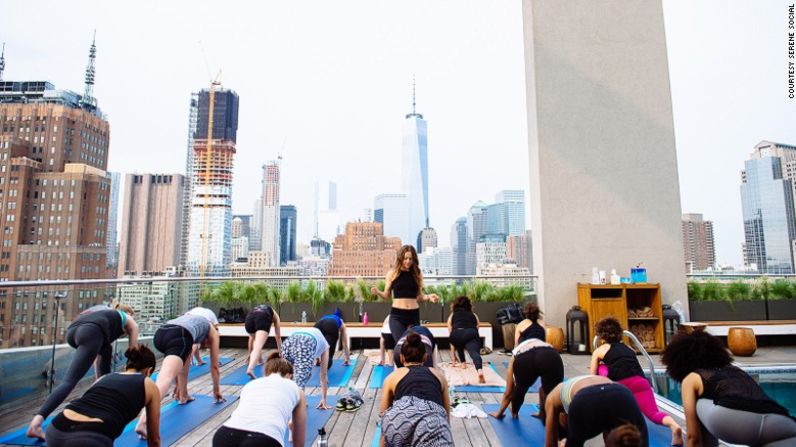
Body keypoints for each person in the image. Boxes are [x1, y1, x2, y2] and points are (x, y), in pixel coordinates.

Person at [661, 331, 796, 447]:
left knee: (699, 402)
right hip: (782, 425)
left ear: (677, 361)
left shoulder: (692, 377)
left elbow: (693, 438)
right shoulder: (736, 371)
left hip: (732, 421)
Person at [27, 305, 139, 440]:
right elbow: (133, 352)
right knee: (69, 381)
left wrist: (101, 384)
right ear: (129, 314)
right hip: (91, 332)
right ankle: (36, 424)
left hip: (73, 332)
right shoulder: (128, 319)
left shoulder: (106, 316)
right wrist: (136, 382)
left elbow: (98, 360)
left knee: (106, 350)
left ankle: (102, 402)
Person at [43, 345, 161, 447]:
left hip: (56, 429)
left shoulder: (104, 378)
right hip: (90, 438)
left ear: (126, 367)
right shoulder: (148, 383)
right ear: (149, 371)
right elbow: (154, 440)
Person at [591, 317, 683, 446]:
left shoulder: (599, 351)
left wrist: (602, 368)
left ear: (601, 336)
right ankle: (674, 426)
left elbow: (592, 376)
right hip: (640, 382)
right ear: (619, 333)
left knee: (613, 419)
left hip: (620, 386)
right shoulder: (629, 349)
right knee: (654, 414)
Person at [135, 307, 223, 437]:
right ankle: (143, 422)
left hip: (161, 333)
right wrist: (216, 391)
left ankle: (184, 396)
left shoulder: (191, 322)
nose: (205, 346)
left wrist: (183, 392)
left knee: (174, 369)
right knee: (165, 377)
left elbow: (184, 368)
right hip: (179, 335)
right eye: (206, 344)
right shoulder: (212, 330)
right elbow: (214, 366)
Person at [213, 353, 307, 447]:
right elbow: (299, 442)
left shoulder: (250, 385)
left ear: (267, 373)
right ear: (290, 375)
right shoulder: (296, 389)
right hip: (264, 438)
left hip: (225, 434)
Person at [380, 332, 452, 447]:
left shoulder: (392, 377)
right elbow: (446, 415)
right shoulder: (439, 375)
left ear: (401, 357)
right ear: (425, 357)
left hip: (400, 419)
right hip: (432, 421)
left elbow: (384, 416)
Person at [545, 375, 649, 447]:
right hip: (620, 393)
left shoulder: (551, 399)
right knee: (636, 440)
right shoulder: (562, 395)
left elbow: (550, 444)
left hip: (586, 399)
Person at [371, 245, 439, 344]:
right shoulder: (393, 273)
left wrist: (429, 297)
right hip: (397, 316)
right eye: (405, 258)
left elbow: (419, 296)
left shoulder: (417, 274)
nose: (408, 261)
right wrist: (378, 292)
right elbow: (387, 295)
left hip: (413, 315)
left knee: (414, 345)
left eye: (410, 259)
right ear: (400, 258)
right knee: (402, 344)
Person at [489, 336, 564, 421]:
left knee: (520, 388)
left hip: (527, 359)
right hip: (553, 356)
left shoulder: (517, 351)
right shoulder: (542, 343)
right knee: (554, 392)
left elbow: (509, 392)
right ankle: (548, 414)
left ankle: (515, 413)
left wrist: (499, 413)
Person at [280, 327, 331, 410]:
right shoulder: (325, 346)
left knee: (286, 376)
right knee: (300, 379)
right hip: (306, 341)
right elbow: (323, 374)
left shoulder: (318, 341)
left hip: (289, 341)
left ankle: (294, 399)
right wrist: (324, 399)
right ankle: (293, 409)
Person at [447, 296, 485, 383]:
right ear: (469, 305)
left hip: (456, 334)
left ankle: (463, 363)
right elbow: (476, 329)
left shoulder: (452, 315)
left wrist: (453, 357)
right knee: (474, 353)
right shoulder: (473, 315)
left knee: (459, 341)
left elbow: (451, 334)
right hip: (471, 332)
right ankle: (479, 371)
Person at [244, 304, 282, 379]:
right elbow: (278, 336)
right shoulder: (275, 316)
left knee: (255, 340)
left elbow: (251, 338)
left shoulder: (258, 309)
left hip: (248, 319)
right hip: (262, 318)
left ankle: (259, 359)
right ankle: (250, 369)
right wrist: (281, 353)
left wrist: (249, 354)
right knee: (258, 346)